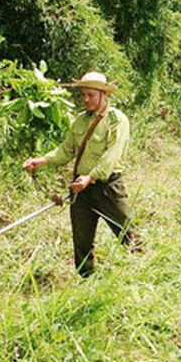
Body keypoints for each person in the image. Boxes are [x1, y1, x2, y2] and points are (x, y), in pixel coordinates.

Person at [23, 71, 139, 277]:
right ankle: (86, 280)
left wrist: (91, 177)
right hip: (81, 189)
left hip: (107, 187)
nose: (85, 99)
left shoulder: (116, 120)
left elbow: (111, 156)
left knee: (126, 233)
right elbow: (66, 150)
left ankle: (142, 271)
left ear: (104, 94)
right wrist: (41, 160)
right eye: (83, 94)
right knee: (81, 240)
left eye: (90, 95)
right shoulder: (79, 121)